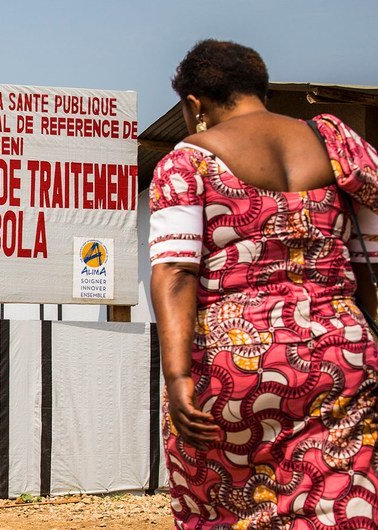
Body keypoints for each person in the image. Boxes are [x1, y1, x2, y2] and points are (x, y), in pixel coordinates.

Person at [150, 40, 378, 528]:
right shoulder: (338, 149)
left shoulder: (187, 161)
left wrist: (177, 377)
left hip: (236, 362)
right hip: (342, 352)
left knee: (226, 504)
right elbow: (368, 261)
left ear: (194, 104)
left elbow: (175, 271)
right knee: (335, 501)